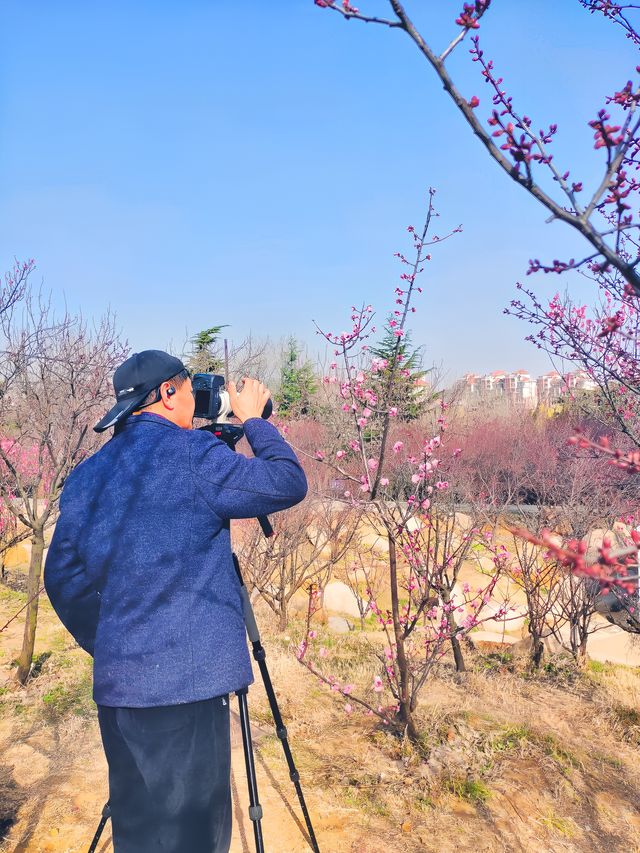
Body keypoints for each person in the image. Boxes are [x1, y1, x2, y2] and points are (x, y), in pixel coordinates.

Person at [44, 349, 308, 853]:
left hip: (120, 690)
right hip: (186, 690)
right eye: (190, 389)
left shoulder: (86, 476)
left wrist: (113, 641)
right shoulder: (194, 457)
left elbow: (62, 576)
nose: (196, 399)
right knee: (194, 840)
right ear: (167, 393)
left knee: (138, 831)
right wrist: (253, 422)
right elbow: (287, 481)